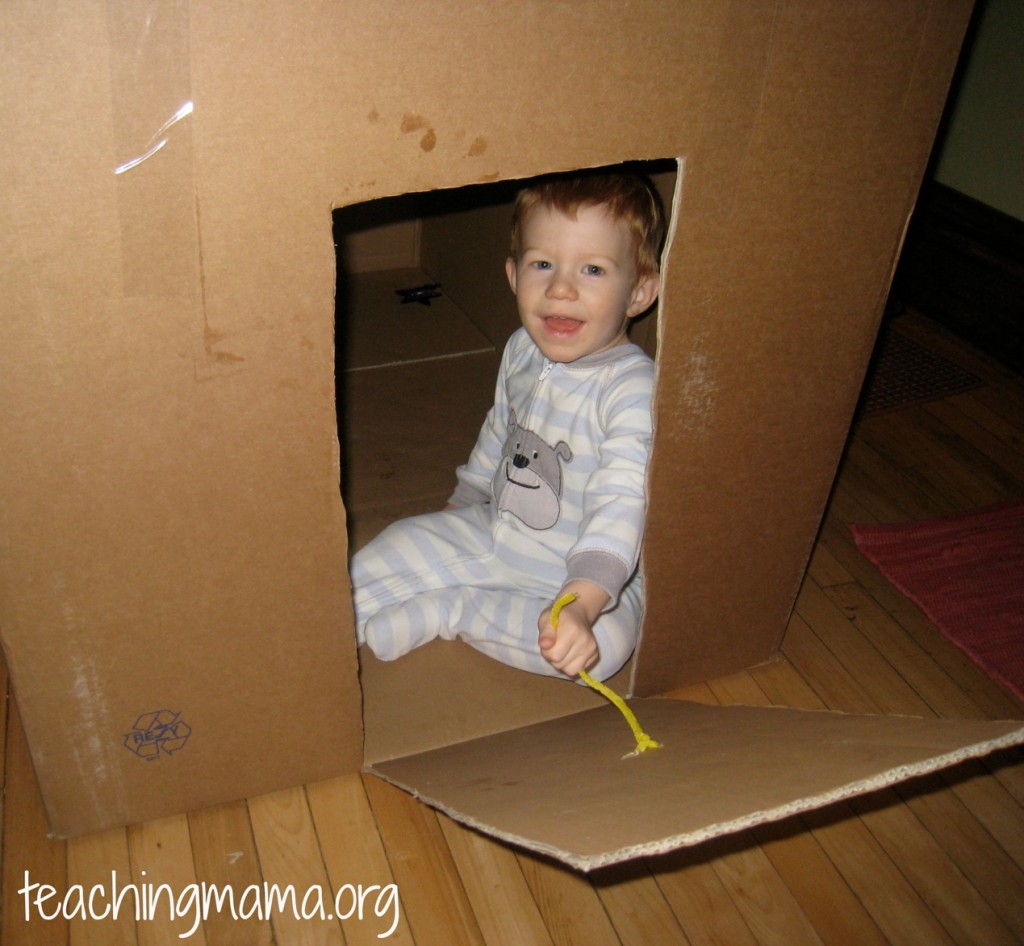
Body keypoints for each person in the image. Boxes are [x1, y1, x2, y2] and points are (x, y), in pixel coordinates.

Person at [350, 170, 663, 680]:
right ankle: (335, 620)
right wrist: (462, 505)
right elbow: (499, 431)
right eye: (543, 264)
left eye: (593, 270)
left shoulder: (631, 388)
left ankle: (450, 611)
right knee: (389, 549)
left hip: (583, 575)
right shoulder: (521, 347)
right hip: (498, 530)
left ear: (638, 293)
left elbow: (623, 502)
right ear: (515, 276)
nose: (561, 288)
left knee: (603, 649)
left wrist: (582, 603)